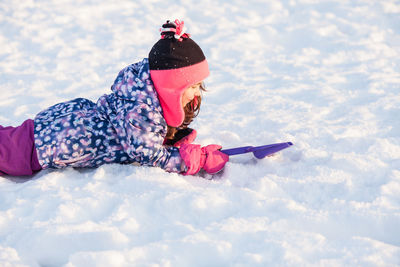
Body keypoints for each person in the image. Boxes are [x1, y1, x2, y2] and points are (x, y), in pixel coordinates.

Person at [0, 19, 229, 177]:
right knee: (7, 150)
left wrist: (170, 139)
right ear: (172, 87)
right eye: (193, 86)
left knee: (10, 138)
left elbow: (139, 137)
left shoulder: (141, 93)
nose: (197, 93)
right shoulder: (141, 111)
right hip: (44, 145)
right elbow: (149, 155)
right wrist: (192, 160)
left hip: (60, 127)